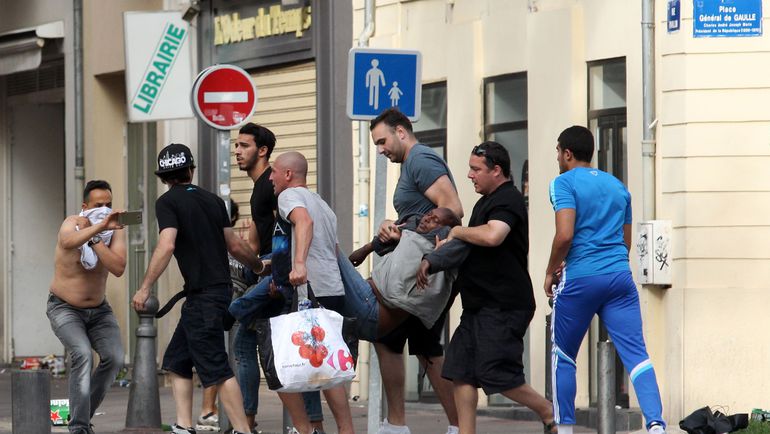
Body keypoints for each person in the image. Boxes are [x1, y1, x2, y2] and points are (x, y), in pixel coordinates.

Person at [416, 142, 555, 434]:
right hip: (478, 305)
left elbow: (493, 235)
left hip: (504, 304)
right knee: (460, 372)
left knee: (497, 374)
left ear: (497, 170)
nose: (469, 175)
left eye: (476, 169)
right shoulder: (484, 202)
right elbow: (474, 245)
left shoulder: (508, 200)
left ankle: (547, 411)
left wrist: (456, 231)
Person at [132, 143, 263, 434]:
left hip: (204, 297)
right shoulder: (214, 201)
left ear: (164, 178)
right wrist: (257, 266)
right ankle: (183, 426)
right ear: (191, 170)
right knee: (178, 360)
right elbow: (234, 244)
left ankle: (243, 431)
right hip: (213, 293)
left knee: (216, 366)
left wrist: (144, 287)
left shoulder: (167, 202)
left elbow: (166, 244)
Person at [543, 126, 666, 434]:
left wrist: (550, 270)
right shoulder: (617, 186)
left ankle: (566, 429)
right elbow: (625, 242)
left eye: (558, 152)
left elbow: (564, 234)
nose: (557, 157)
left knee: (564, 355)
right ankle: (655, 425)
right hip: (619, 278)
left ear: (567, 154)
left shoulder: (562, 183)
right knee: (637, 355)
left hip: (580, 279)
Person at [367, 107, 462, 434]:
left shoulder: (420, 160)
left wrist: (433, 246)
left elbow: (453, 208)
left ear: (401, 132)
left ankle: (452, 424)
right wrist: (396, 227)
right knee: (412, 343)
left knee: (395, 335)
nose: (380, 150)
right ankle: (430, 425)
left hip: (427, 265)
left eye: (382, 141)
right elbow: (422, 213)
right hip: (420, 261)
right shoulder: (412, 163)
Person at [232, 123, 327, 433]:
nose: (237, 151)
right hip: (276, 272)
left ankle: (248, 422)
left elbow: (286, 232)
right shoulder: (261, 187)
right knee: (298, 347)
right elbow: (258, 240)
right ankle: (312, 424)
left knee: (248, 339)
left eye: (244, 146)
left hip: (282, 276)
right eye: (236, 145)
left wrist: (279, 272)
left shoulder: (270, 188)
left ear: (263, 151)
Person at [267, 151, 355, 434]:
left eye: (274, 172)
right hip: (331, 289)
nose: (270, 177)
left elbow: (304, 222)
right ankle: (346, 429)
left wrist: (299, 264)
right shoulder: (323, 204)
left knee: (275, 358)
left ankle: (304, 429)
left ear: (288, 175)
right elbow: (331, 249)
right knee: (326, 365)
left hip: (309, 290)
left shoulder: (289, 197)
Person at [47, 180, 127, 434]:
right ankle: (79, 428)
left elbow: (118, 267)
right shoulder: (73, 222)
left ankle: (79, 415)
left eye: (108, 205)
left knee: (114, 358)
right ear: (85, 206)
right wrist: (96, 229)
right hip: (64, 307)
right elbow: (68, 241)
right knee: (82, 354)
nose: (104, 210)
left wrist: (100, 235)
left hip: (99, 310)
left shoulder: (114, 229)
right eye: (98, 205)